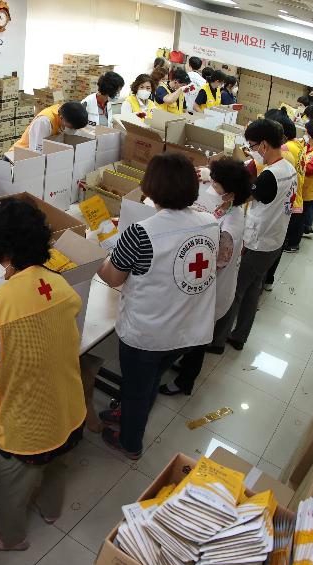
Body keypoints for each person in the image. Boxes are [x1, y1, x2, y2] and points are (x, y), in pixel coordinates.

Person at [0, 197, 85, 551]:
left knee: (13, 483)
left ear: (1, 248)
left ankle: (12, 537)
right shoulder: (62, 287)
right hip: (69, 410)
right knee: (57, 468)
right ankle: (51, 511)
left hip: (27, 427)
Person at [95, 153, 218, 459]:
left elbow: (112, 277)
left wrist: (95, 250)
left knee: (138, 389)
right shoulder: (210, 223)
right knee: (149, 381)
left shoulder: (142, 233)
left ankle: (130, 443)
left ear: (151, 187)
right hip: (186, 330)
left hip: (147, 333)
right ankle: (127, 412)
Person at [159, 159, 252, 396]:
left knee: (198, 337)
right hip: (211, 290)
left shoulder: (229, 229)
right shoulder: (231, 206)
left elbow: (213, 265)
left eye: (217, 185)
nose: (212, 188)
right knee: (194, 334)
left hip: (213, 292)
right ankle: (184, 363)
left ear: (229, 193)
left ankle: (184, 382)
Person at [210, 119, 297, 353]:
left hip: (258, 244)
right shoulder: (289, 168)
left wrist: (217, 185)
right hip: (275, 242)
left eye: (252, 146)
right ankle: (239, 336)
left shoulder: (271, 175)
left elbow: (240, 198)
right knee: (253, 288)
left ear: (265, 145)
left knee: (235, 291)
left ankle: (217, 341)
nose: (252, 152)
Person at [262, 109, 306, 291]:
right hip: (296, 198)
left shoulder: (285, 152)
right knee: (279, 242)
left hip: (288, 201)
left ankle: (265, 279)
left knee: (274, 242)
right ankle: (269, 280)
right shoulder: (299, 146)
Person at [291, 120, 313, 249]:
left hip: (309, 191)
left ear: (310, 134)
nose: (304, 133)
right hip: (303, 188)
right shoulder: (307, 146)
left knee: (300, 219)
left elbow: (311, 169)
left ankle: (294, 244)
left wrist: (299, 163)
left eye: (305, 131)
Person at [12, 101, 88, 153]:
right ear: (62, 118)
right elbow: (36, 152)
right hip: (19, 156)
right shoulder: (44, 122)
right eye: (71, 128)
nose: (73, 130)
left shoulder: (65, 112)